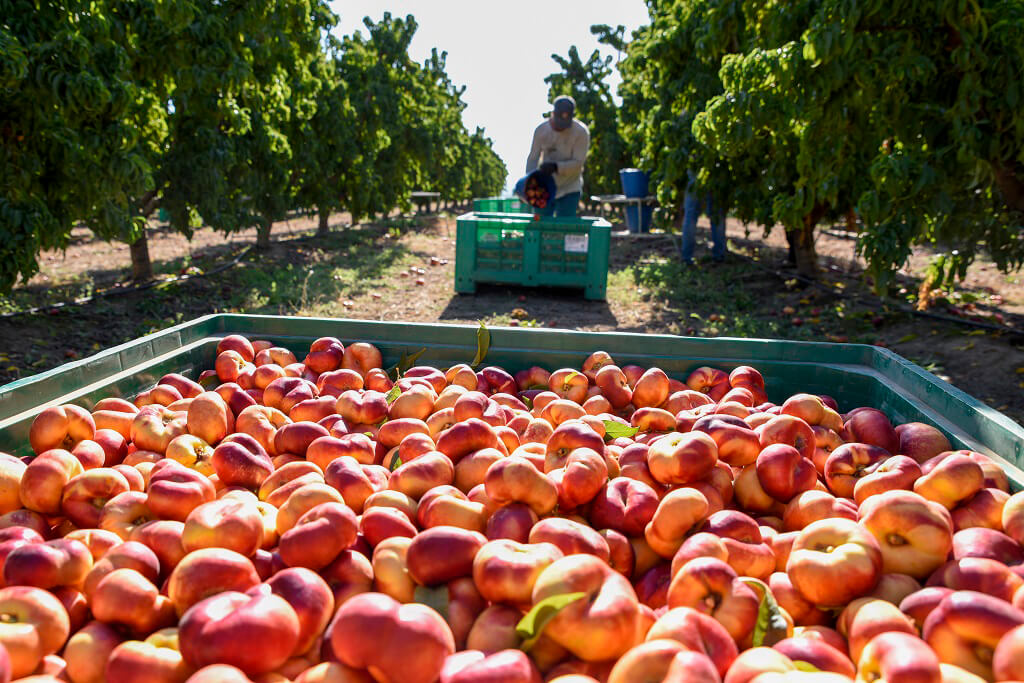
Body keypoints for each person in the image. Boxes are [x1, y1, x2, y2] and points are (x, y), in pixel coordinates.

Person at [525, 95, 590, 218]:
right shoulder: (541, 131)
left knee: (564, 227)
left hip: (570, 186)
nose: (561, 127)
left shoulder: (581, 133)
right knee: (541, 226)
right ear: (552, 114)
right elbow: (533, 158)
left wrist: (556, 167)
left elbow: (578, 163)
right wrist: (530, 180)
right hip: (544, 187)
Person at [680, 169, 727, 264]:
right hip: (715, 169)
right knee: (716, 214)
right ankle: (719, 255)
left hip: (696, 168)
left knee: (691, 215)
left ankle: (686, 257)